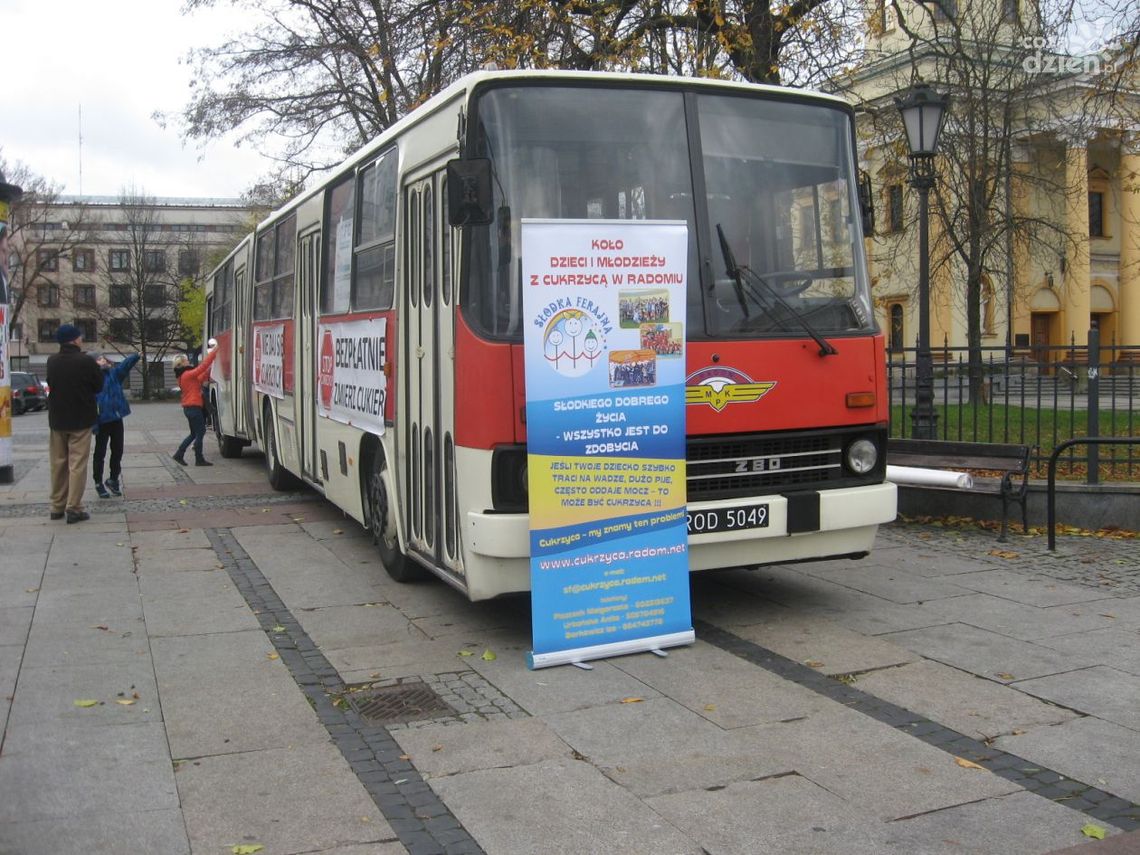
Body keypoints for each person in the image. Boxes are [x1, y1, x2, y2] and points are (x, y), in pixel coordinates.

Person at [46, 324, 104, 523]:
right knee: (77, 464)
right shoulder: (86, 361)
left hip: (57, 419)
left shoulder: (51, 361)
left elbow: (51, 383)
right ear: (74, 339)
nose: (81, 339)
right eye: (80, 337)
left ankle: (57, 506)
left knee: (58, 463)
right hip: (80, 419)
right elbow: (98, 386)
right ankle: (74, 507)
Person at [91, 351, 141, 498]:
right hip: (102, 421)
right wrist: (94, 423)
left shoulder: (113, 374)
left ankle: (113, 479)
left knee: (117, 450)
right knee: (100, 453)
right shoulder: (92, 379)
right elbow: (90, 403)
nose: (103, 360)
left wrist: (136, 356)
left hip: (116, 418)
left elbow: (125, 366)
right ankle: (98, 482)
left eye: (103, 358)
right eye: (99, 359)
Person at [173, 343, 217, 466]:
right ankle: (199, 458)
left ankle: (179, 454)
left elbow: (201, 376)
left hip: (189, 407)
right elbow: (201, 368)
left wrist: (210, 367)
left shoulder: (183, 375)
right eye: (186, 361)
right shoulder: (186, 374)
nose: (188, 362)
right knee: (200, 431)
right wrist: (213, 353)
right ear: (181, 364)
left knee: (194, 433)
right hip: (193, 407)